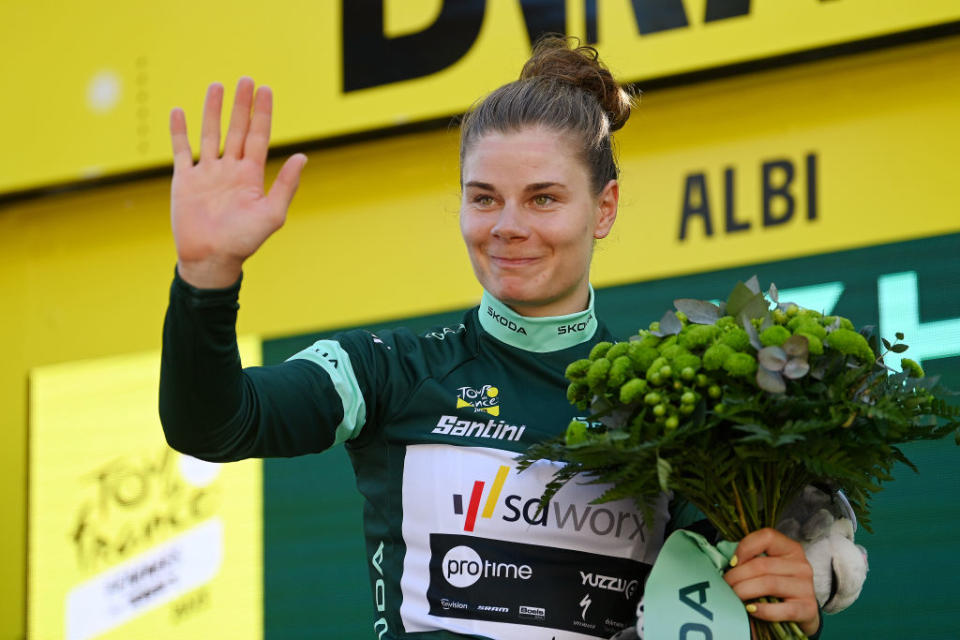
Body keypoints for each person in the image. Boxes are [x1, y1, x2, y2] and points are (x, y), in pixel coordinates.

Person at [160, 37, 822, 639]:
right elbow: (213, 426)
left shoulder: (674, 406)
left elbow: (727, 613)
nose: (507, 225)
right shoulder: (388, 372)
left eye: (542, 199)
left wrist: (785, 603)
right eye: (483, 198)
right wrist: (207, 276)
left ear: (606, 208)